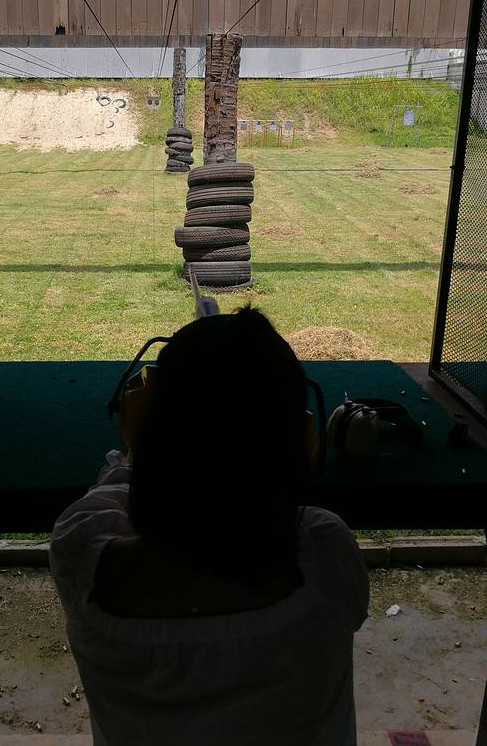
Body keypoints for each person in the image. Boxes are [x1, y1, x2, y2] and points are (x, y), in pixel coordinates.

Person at [49, 306, 369, 746]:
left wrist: (157, 435)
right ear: (300, 446)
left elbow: (118, 486)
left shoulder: (80, 550)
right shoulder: (327, 551)